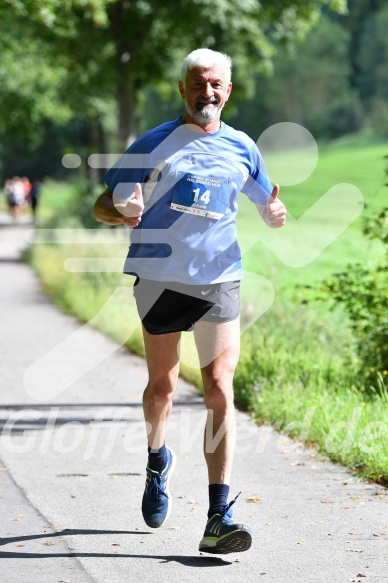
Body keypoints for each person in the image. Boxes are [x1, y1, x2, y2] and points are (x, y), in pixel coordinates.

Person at [94, 48, 287, 554]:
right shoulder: (153, 142)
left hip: (220, 280)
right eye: (199, 84)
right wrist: (122, 211)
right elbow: (102, 203)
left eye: (217, 84)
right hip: (159, 279)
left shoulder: (243, 148)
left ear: (228, 89)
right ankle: (158, 460)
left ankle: (218, 516)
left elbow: (266, 200)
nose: (208, 92)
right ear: (183, 89)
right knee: (161, 387)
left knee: (219, 386)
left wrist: (274, 212)